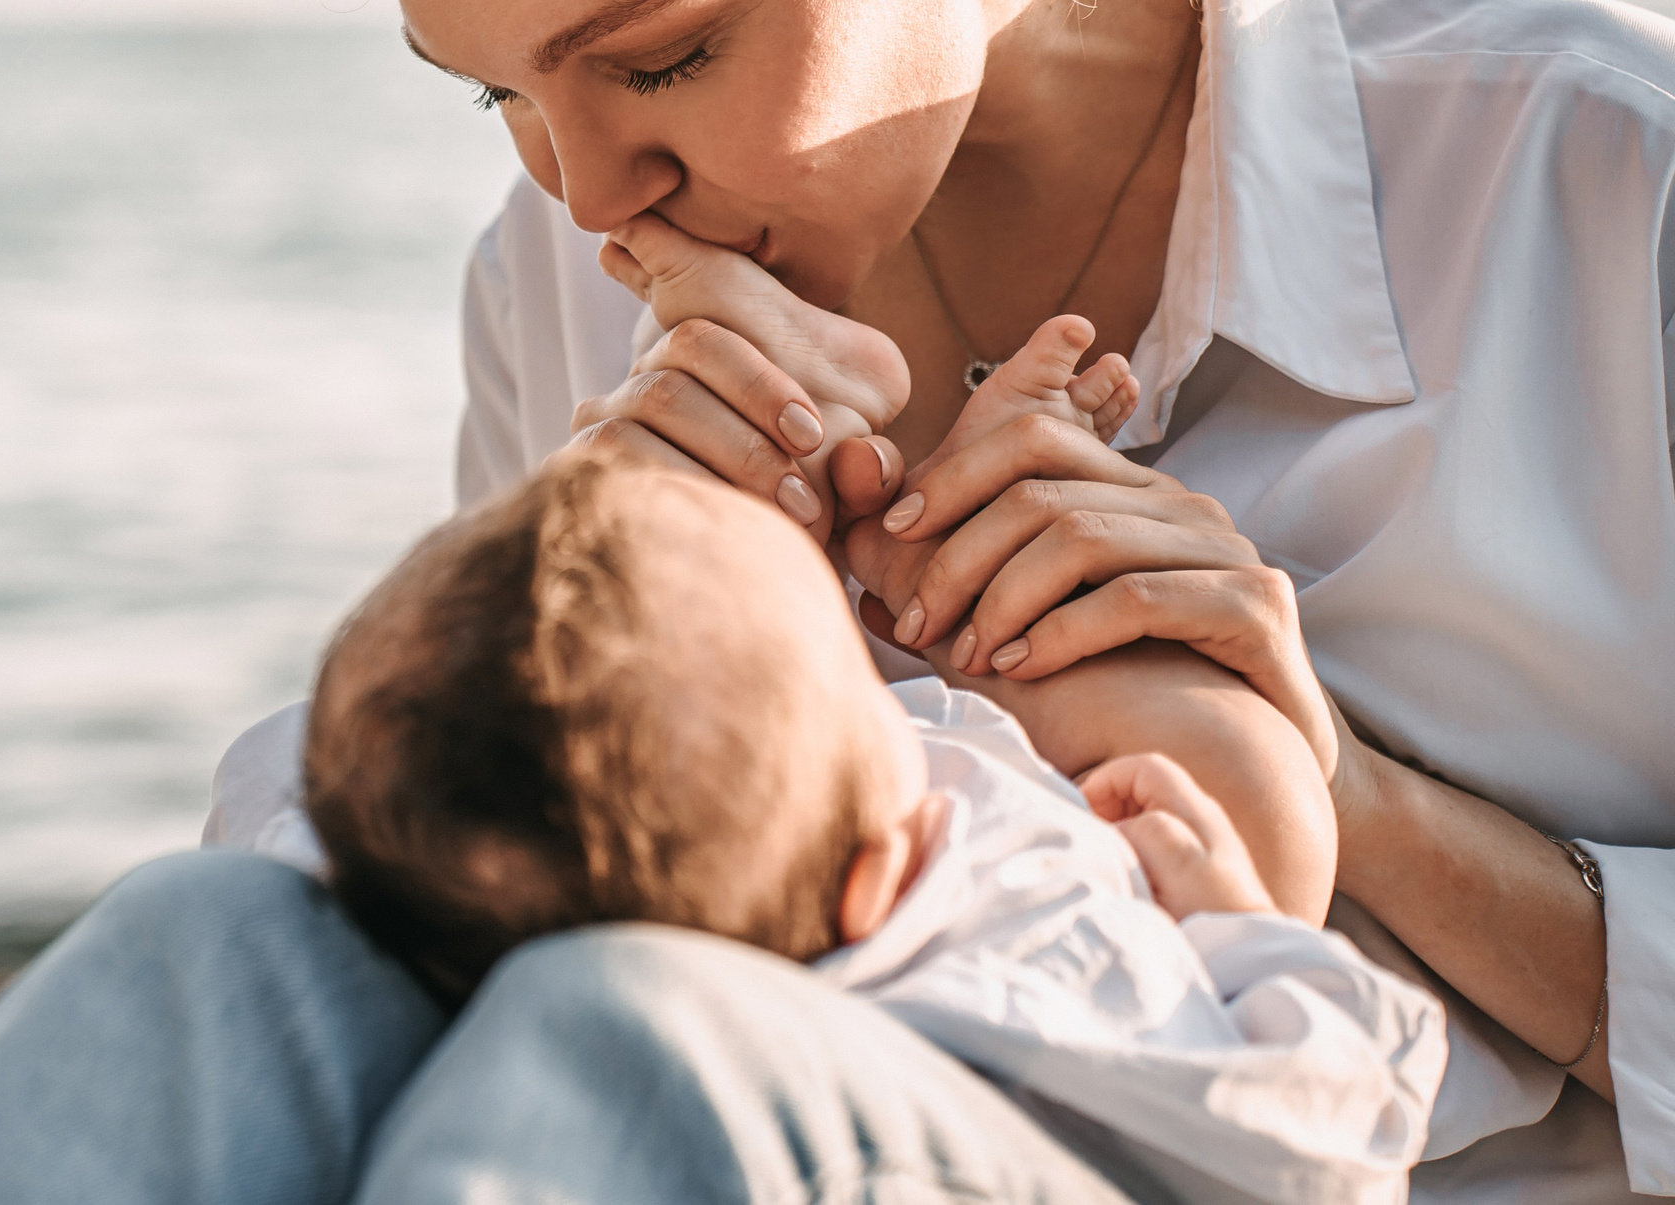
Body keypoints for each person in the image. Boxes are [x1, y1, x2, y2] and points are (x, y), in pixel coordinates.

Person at [0, 0, 1672, 1202]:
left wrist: (1350, 797)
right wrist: (605, 588)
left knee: (641, 1032)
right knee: (209, 938)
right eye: (497, 89)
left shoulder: (1606, 191)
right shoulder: (554, 286)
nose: (582, 193)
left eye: (660, 57)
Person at [270, 449, 1442, 1205]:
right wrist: (1235, 932)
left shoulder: (456, 920)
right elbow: (1334, 1140)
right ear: (873, 878)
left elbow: (301, 801)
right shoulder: (1036, 936)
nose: (929, 699)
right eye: (858, 670)